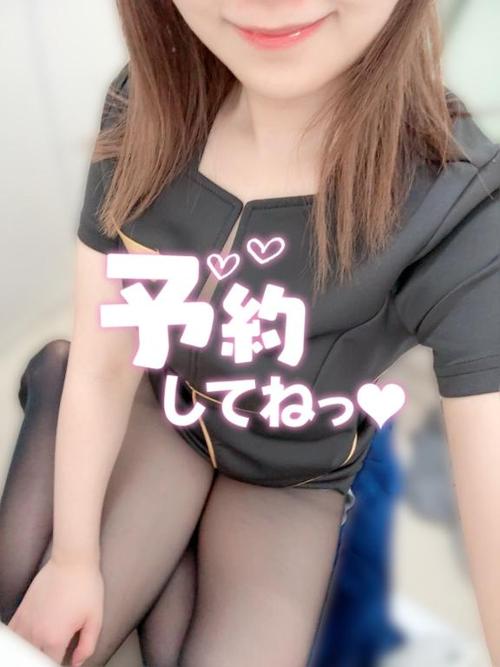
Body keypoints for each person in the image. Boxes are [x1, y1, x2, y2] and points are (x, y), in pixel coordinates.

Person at [1, 1, 499, 666]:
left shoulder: (463, 207)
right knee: (25, 603)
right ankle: (55, 376)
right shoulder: (145, 103)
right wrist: (72, 560)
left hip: (290, 477)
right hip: (162, 405)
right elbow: (106, 367)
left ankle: (62, 389)